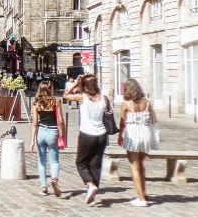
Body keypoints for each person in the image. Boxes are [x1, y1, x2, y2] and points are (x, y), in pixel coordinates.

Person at [64, 74, 110, 206]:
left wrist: (75, 84)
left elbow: (66, 95)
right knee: (95, 164)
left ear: (85, 86)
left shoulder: (82, 97)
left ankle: (90, 185)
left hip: (87, 134)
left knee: (81, 163)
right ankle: (93, 191)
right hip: (101, 134)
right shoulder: (104, 99)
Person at [118, 78, 157, 207]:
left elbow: (122, 121)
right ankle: (143, 193)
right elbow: (153, 119)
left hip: (133, 133)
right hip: (145, 132)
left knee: (134, 165)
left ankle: (141, 198)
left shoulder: (126, 103)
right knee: (141, 164)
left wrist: (120, 135)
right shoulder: (147, 102)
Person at [30, 81, 63, 197]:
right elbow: (60, 121)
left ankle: (44, 186)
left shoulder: (36, 103)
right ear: (51, 89)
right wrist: (62, 134)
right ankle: (54, 179)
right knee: (54, 159)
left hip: (41, 131)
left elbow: (34, 123)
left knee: (42, 160)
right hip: (53, 131)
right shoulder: (55, 102)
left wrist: (32, 140)